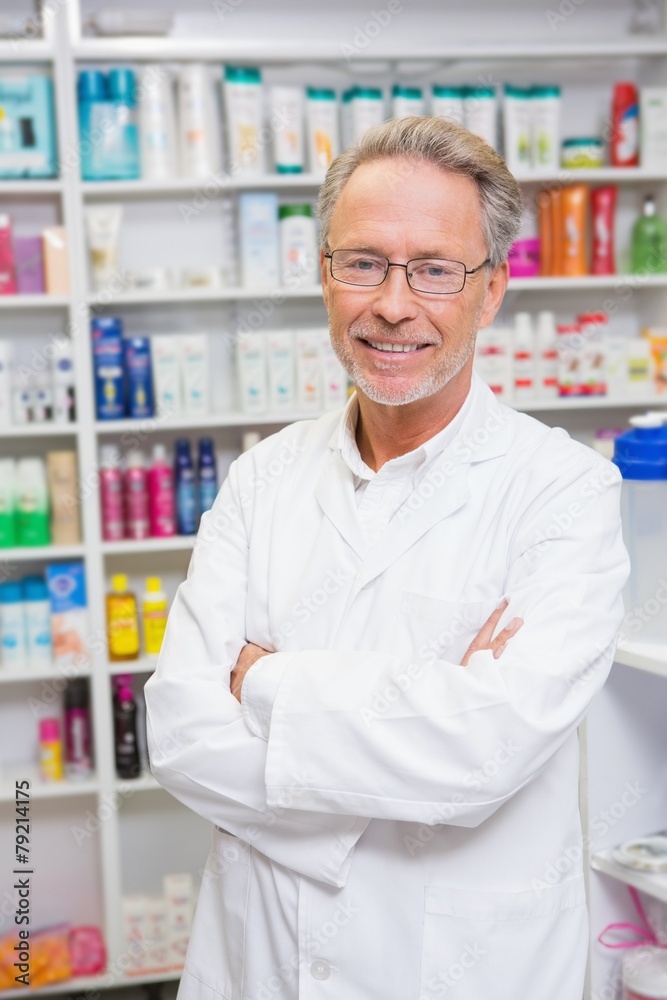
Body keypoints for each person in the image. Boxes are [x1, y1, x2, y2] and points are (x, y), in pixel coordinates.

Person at [144, 116, 630, 1000]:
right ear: (323, 273)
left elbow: (486, 746)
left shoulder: (565, 490)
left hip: (469, 967)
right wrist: (412, 755)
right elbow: (179, 733)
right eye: (362, 262)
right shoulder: (261, 478)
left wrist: (266, 685)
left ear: (490, 293)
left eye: (436, 269)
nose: (393, 304)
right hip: (266, 960)